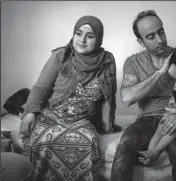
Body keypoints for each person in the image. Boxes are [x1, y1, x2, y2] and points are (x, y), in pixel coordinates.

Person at [111, 10, 176, 181]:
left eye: (161, 31)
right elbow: (127, 98)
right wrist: (161, 72)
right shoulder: (133, 62)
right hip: (146, 119)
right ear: (141, 41)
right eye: (151, 36)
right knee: (124, 149)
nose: (160, 40)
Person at [20, 15, 121, 181]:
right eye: (78, 33)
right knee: (42, 139)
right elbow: (41, 87)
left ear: (99, 39)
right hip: (51, 115)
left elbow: (110, 96)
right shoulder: (61, 55)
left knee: (88, 141)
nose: (82, 40)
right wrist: (29, 112)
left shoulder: (107, 60)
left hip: (82, 120)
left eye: (90, 36)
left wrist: (107, 123)